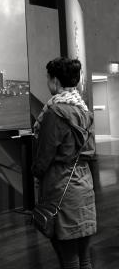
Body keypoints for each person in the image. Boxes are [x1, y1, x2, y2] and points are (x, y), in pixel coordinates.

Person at [32, 57, 97, 269]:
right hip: (84, 185)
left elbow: (43, 157)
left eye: (48, 78)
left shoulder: (54, 113)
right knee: (84, 258)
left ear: (56, 81)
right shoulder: (84, 111)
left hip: (61, 187)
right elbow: (91, 151)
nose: (47, 83)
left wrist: (36, 173)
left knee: (68, 259)